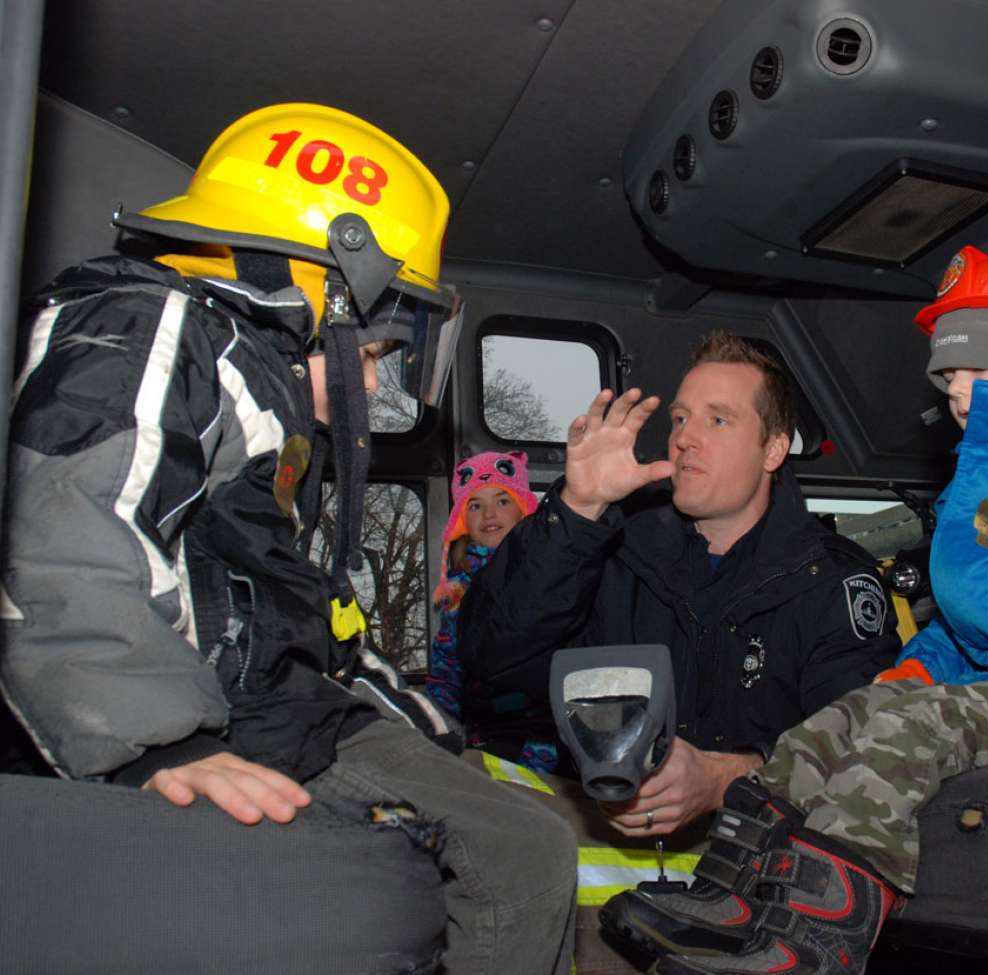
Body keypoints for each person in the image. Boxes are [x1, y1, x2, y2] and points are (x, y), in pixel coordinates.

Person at [0, 103, 575, 974]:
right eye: (379, 344)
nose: (377, 373)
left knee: (524, 835)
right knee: (521, 855)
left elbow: (313, 631)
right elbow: (64, 536)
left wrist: (440, 740)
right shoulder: (153, 332)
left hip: (274, 710)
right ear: (322, 292)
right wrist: (158, 744)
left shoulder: (264, 414)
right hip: (200, 716)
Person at [600, 246, 988, 974]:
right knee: (837, 719)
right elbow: (963, 622)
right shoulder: (970, 480)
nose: (957, 393)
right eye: (949, 376)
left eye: (977, 371)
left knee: (901, 727)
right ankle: (733, 896)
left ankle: (816, 938)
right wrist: (913, 667)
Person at [459, 331, 899, 837]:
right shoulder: (612, 549)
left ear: (773, 449)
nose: (686, 437)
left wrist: (722, 779)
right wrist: (578, 511)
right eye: (681, 419)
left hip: (765, 851)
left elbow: (859, 751)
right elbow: (492, 659)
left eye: (718, 419)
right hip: (602, 835)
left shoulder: (832, 580)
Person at [426, 451, 537, 731]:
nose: (489, 514)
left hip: (547, 722)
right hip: (486, 723)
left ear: (523, 509)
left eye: (502, 501)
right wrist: (440, 725)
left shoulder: (545, 569)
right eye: (475, 506)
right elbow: (447, 664)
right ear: (462, 521)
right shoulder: (459, 586)